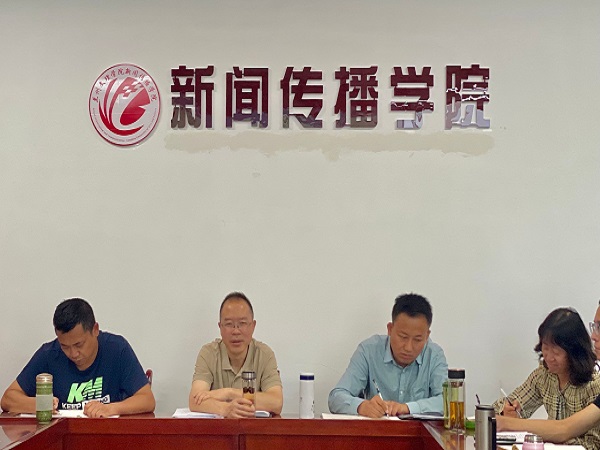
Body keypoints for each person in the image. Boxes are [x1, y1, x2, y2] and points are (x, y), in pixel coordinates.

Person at [0, 298, 155, 417]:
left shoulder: (117, 349)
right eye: (64, 346)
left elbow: (147, 400)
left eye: (79, 344)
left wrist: (110, 408)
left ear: (95, 330)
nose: (73, 353)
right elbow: (8, 399)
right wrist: (39, 404)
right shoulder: (49, 354)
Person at [328, 293, 448, 418]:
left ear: (427, 336)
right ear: (390, 329)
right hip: (377, 428)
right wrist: (361, 406)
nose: (408, 347)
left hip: (419, 430)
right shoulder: (369, 351)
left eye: (417, 340)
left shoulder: (434, 355)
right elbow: (336, 398)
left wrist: (407, 408)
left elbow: (447, 401)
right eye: (403, 337)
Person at [496, 306, 600, 448]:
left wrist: (548, 435)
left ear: (574, 353)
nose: (549, 358)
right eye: (545, 348)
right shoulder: (544, 375)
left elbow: (590, 442)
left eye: (556, 352)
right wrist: (507, 412)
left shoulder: (593, 384)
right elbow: (509, 405)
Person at [188, 292, 283, 418]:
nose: (236, 331)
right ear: (220, 327)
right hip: (217, 429)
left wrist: (229, 393)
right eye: (229, 324)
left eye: (242, 323)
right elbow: (195, 401)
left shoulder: (264, 354)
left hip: (253, 428)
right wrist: (226, 409)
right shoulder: (208, 353)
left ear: (253, 326)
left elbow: (276, 402)